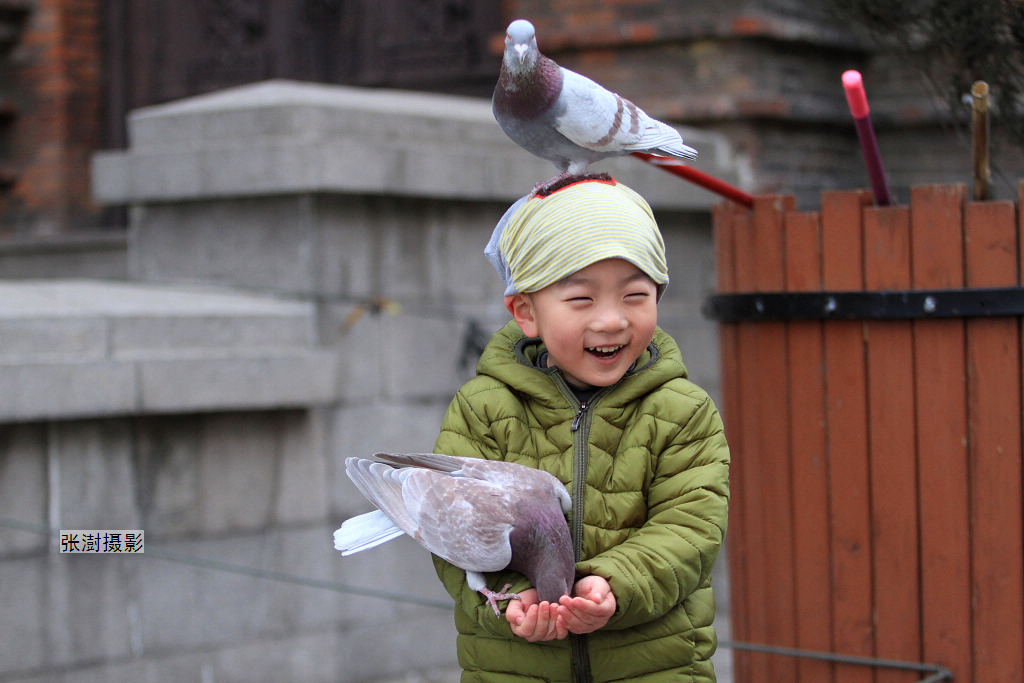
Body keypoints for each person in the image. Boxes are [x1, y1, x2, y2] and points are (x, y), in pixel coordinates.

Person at [432, 175, 730, 682]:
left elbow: (691, 529)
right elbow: (451, 527)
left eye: (635, 295)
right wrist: (510, 598)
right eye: (581, 299)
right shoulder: (482, 409)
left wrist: (613, 584)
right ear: (526, 312)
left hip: (656, 668)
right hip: (513, 670)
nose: (612, 320)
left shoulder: (683, 410)